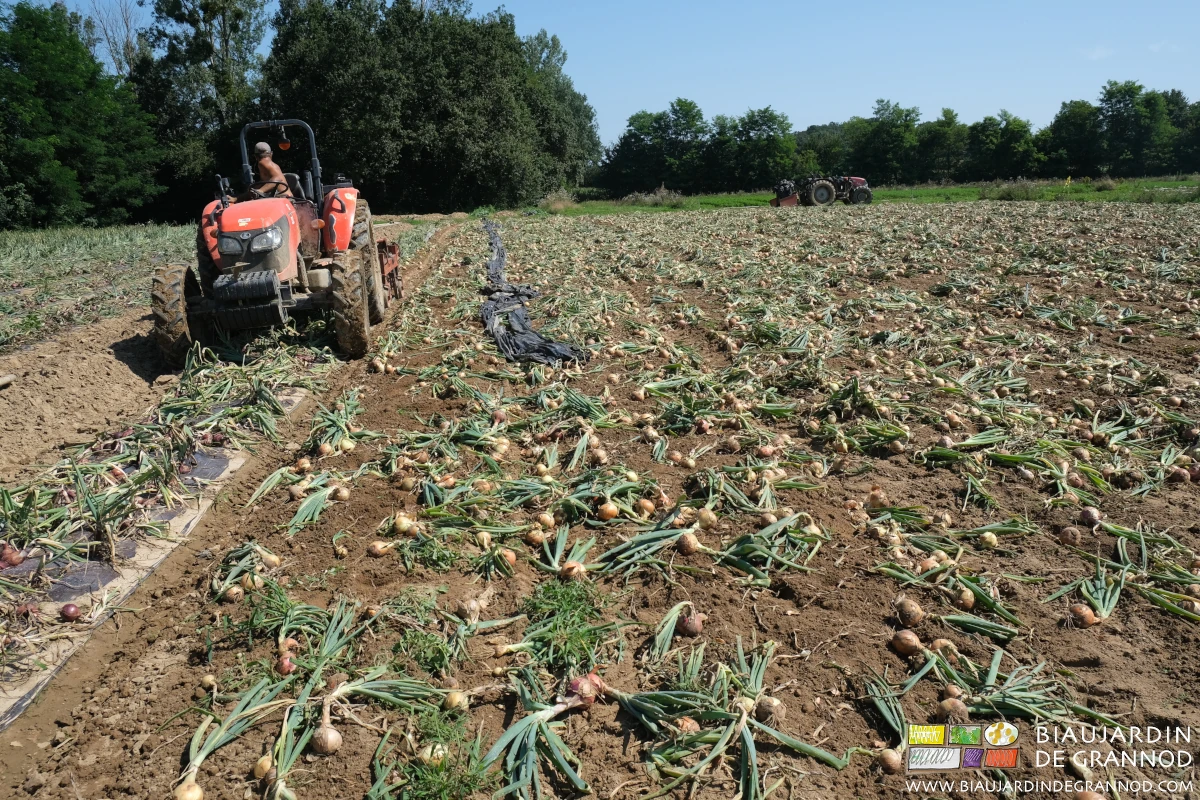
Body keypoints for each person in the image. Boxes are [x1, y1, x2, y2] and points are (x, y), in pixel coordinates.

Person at [226, 141, 292, 203]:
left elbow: (277, 178)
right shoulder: (271, 165)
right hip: (287, 200)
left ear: (255, 156)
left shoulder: (263, 162)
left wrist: (261, 191)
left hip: (285, 200)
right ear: (271, 153)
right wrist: (236, 199)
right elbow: (257, 188)